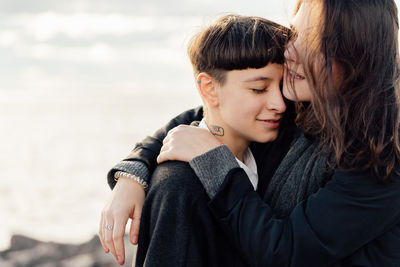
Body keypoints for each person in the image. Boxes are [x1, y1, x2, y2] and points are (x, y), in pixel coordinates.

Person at [102, 0, 400, 266]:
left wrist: (214, 161)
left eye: (312, 40)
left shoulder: (383, 155)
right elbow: (203, 118)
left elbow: (287, 252)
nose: (290, 50)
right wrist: (133, 175)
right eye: (294, 34)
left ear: (358, 55)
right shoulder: (302, 103)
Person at [100, 14, 291, 266]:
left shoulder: (268, 148)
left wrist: (132, 172)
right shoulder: (180, 187)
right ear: (209, 89)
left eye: (285, 84)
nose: (280, 103)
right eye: (259, 88)